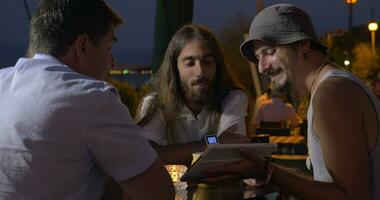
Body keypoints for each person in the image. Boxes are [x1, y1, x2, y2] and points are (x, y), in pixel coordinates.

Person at [197, 3, 380, 200]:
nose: (261, 68)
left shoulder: (331, 93)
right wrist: (267, 173)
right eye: (258, 58)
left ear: (303, 45)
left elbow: (351, 196)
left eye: (269, 52)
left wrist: (269, 171)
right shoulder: (330, 88)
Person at [0, 0, 174, 199]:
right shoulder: (93, 97)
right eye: (109, 48)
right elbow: (159, 193)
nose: (112, 62)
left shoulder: (2, 81)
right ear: (82, 46)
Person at [136, 24, 249, 166]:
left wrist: (170, 153)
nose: (200, 72)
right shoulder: (156, 102)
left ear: (217, 65)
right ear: (174, 68)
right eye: (190, 63)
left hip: (217, 187)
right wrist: (213, 143)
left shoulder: (232, 98)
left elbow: (232, 149)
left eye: (207, 62)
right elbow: (145, 154)